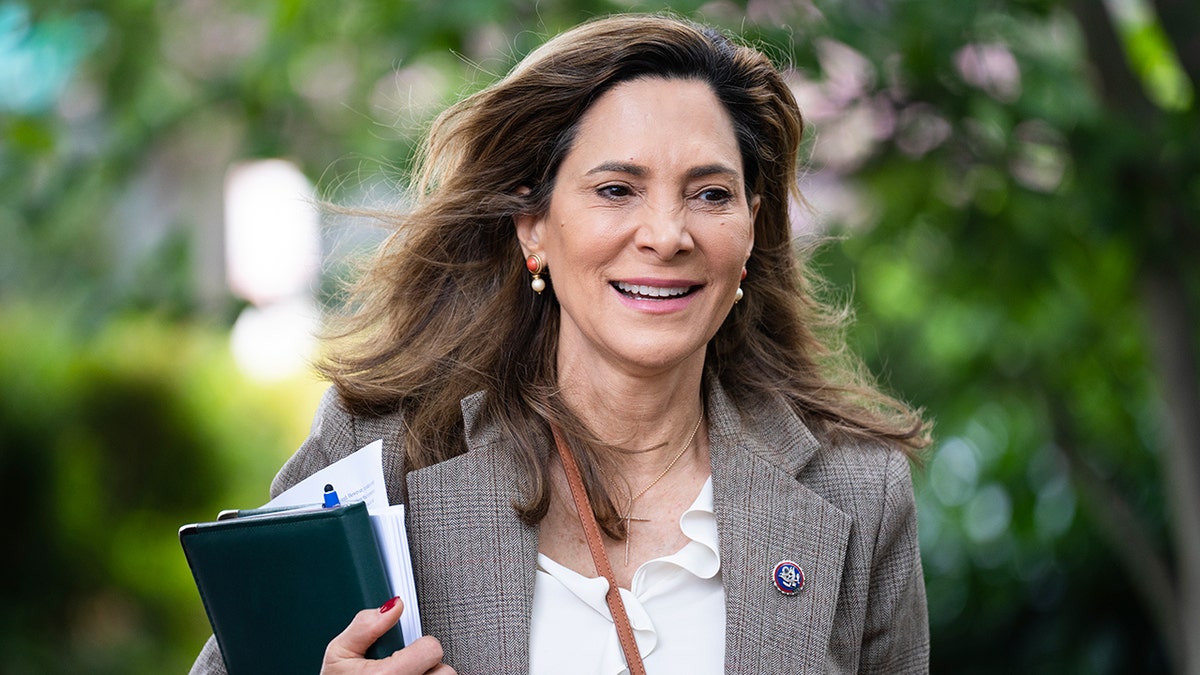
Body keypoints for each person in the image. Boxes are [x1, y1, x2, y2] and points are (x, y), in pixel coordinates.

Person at [191, 12, 931, 675]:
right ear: (533, 227)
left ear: (749, 231)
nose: (667, 235)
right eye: (616, 190)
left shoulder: (857, 491)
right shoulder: (382, 457)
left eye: (710, 194)